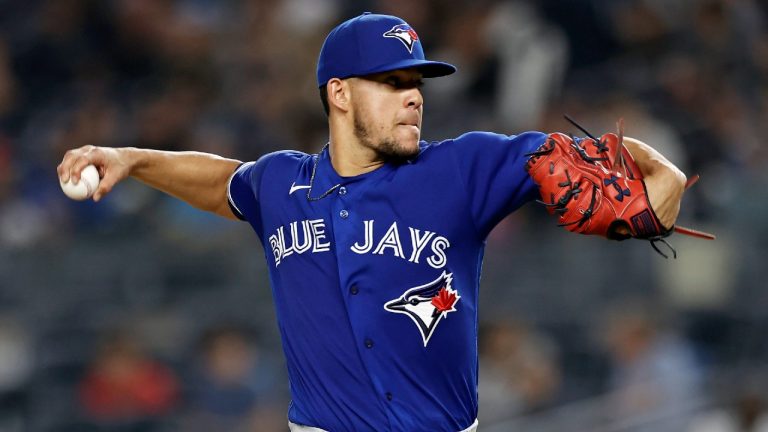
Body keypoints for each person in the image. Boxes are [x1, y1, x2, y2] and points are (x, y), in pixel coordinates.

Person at [57, 12, 687, 432]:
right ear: (339, 93)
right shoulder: (282, 183)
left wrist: (656, 170)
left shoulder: (463, 168)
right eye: (391, 81)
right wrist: (131, 157)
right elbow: (223, 180)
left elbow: (643, 193)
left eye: (417, 81)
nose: (414, 94)